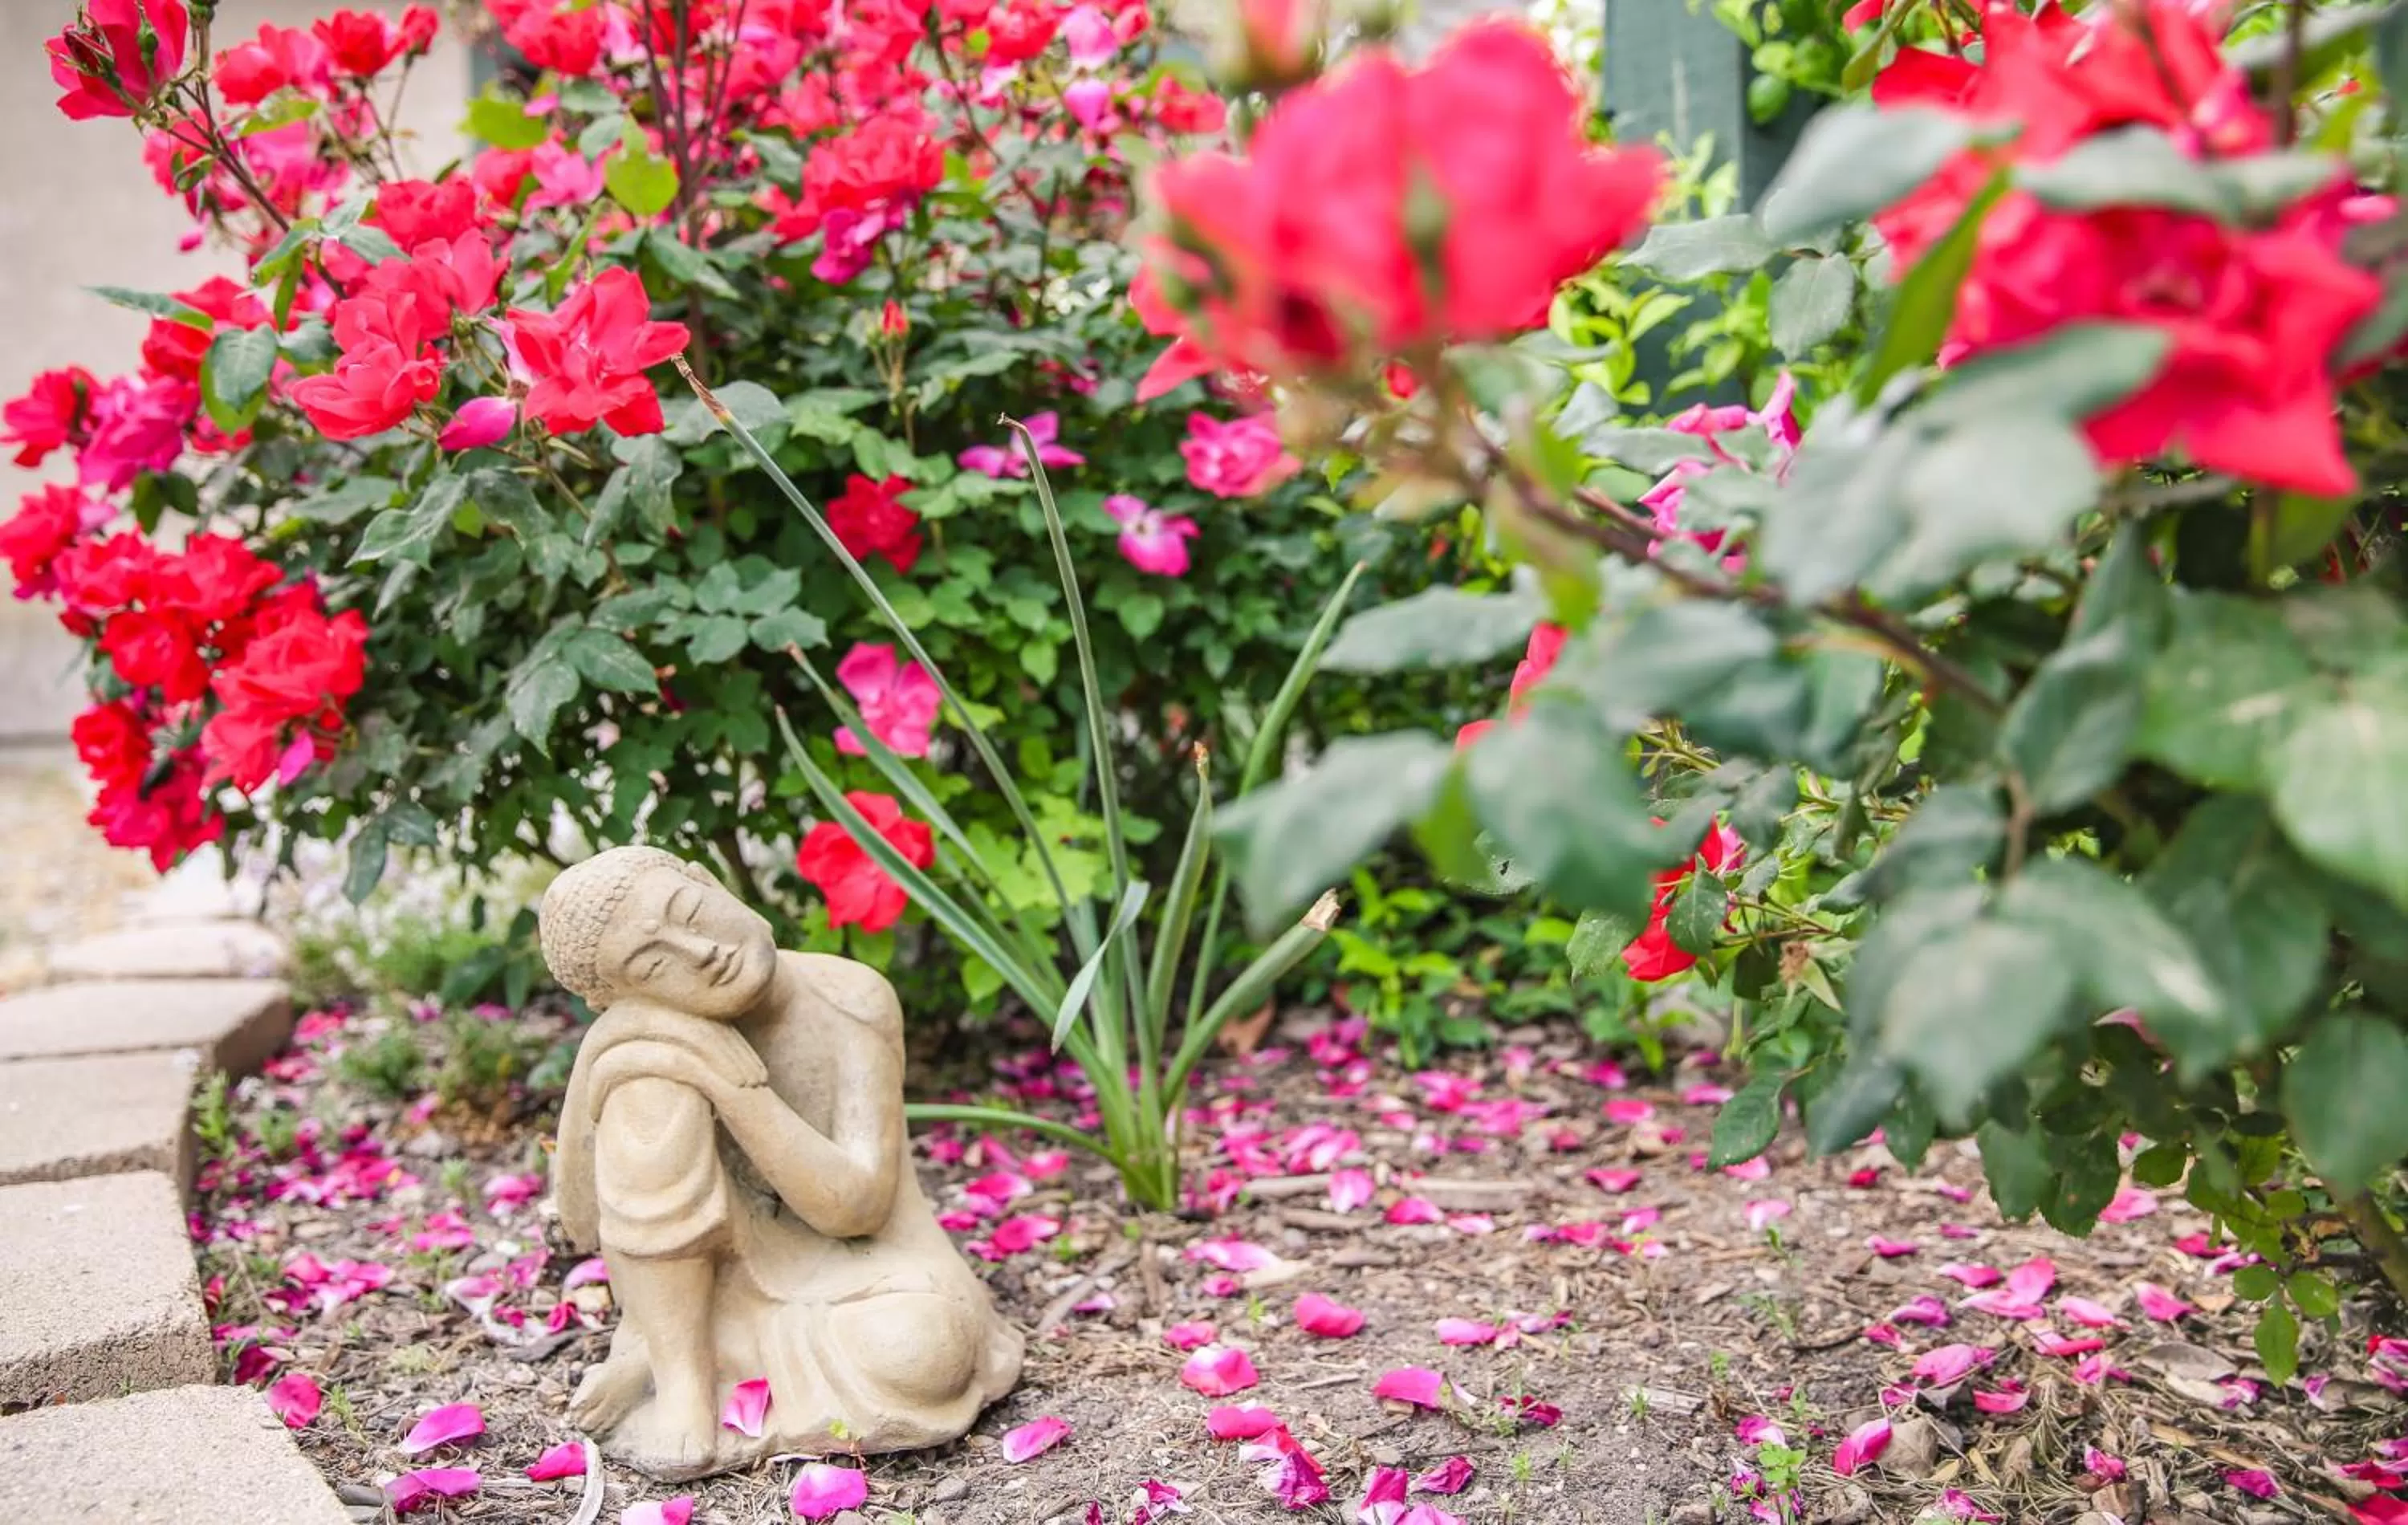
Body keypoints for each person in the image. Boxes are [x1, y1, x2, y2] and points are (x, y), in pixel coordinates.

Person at [539, 846, 1023, 1479]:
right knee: (648, 1079)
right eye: (654, 965)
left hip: (862, 1268)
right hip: (716, 1272)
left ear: (712, 883)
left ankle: (697, 1349)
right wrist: (611, 1048)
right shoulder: (647, 1041)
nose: (699, 951)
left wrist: (735, 1087)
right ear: (624, 998)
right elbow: (579, 1221)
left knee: (920, 1351)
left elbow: (856, 1210)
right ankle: (682, 1377)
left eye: (690, 912)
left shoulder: (849, 996)